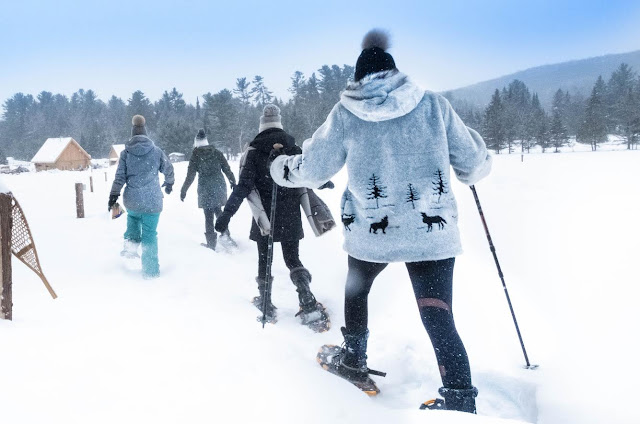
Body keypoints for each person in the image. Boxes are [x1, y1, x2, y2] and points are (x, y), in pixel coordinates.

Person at [269, 29, 492, 413]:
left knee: (357, 289)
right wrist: (475, 166)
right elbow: (472, 164)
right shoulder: (434, 106)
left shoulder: (345, 114)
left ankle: (354, 359)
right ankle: (459, 398)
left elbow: (314, 166)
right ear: (396, 72)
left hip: (373, 235)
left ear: (357, 80)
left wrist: (281, 168)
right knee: (437, 311)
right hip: (431, 233)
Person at [214, 104, 327, 326]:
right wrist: (324, 182)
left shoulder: (254, 152)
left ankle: (266, 303)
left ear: (262, 125)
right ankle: (307, 300)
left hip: (264, 216)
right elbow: (310, 174)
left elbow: (243, 187)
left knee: (265, 259)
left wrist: (226, 216)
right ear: (279, 124)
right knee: (292, 259)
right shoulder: (294, 149)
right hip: (291, 214)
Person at [108, 115, 175, 279]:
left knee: (133, 220)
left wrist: (113, 194)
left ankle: (130, 246)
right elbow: (168, 169)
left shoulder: (126, 153)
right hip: (153, 202)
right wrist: (169, 183)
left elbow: (120, 177)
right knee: (150, 235)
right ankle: (151, 271)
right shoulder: (156, 151)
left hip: (133, 200)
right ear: (146, 134)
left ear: (132, 135)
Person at [180, 129, 237, 250]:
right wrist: (232, 181)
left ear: (197, 143)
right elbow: (226, 168)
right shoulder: (216, 152)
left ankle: (211, 243)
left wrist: (184, 190)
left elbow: (190, 175)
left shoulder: (195, 155)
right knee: (218, 211)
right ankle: (226, 234)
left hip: (205, 188)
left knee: (208, 215)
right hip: (219, 185)